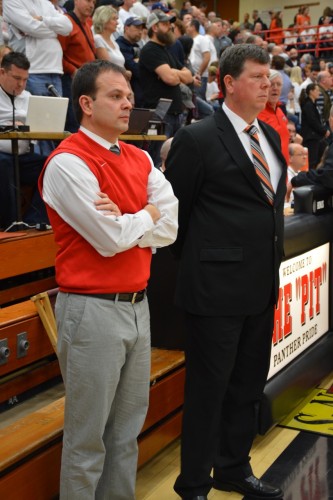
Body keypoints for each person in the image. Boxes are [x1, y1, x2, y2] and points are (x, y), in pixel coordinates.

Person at [39, 59, 178, 499]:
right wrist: (147, 215)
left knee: (125, 435)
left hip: (138, 305)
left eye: (129, 98)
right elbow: (108, 239)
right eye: (115, 97)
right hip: (90, 309)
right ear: (86, 103)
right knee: (87, 440)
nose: (127, 106)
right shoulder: (67, 162)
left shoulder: (137, 155)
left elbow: (171, 224)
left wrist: (135, 220)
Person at [165, 43, 286, 500]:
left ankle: (233, 468)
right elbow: (176, 218)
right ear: (228, 83)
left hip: (260, 286)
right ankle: (193, 481)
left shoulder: (269, 137)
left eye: (269, 76)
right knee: (208, 392)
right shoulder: (197, 138)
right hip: (214, 291)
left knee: (247, 386)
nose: (267, 84)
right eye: (256, 76)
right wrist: (206, 265)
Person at [0, 52, 48, 230]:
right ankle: (9, 225)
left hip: (22, 156)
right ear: (2, 73)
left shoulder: (29, 97)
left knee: (51, 166)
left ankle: (35, 220)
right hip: (2, 156)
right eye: (16, 78)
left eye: (25, 79)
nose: (21, 84)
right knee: (3, 165)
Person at [139, 10, 192, 161]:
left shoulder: (166, 51)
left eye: (170, 23)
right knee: (157, 159)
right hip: (159, 113)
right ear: (154, 28)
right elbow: (170, 78)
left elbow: (188, 77)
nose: (170, 27)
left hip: (174, 112)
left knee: (175, 159)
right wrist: (174, 74)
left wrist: (173, 73)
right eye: (165, 24)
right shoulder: (149, 50)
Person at [58, 0, 97, 132]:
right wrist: (72, 70)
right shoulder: (66, 23)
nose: (91, 5)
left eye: (93, 2)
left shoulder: (88, 23)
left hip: (86, 78)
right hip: (71, 78)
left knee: (84, 120)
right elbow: (59, 55)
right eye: (87, 1)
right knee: (74, 120)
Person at [258, 69, 290, 164]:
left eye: (279, 84)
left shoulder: (280, 111)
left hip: (284, 168)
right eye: (272, 84)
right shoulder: (256, 112)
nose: (275, 88)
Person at [92, 5, 132, 79]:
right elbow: (107, 66)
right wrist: (125, 72)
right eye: (114, 19)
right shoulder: (98, 39)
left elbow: (121, 66)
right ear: (104, 20)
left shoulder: (114, 42)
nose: (117, 23)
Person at [299, 83, 330, 168]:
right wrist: (324, 130)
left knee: (321, 157)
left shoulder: (312, 104)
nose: (319, 93)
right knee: (312, 161)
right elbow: (313, 122)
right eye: (317, 90)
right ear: (311, 92)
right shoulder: (308, 105)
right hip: (311, 138)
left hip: (316, 137)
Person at [117, 16, 145, 107]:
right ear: (126, 28)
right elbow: (135, 69)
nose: (140, 32)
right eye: (137, 28)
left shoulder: (137, 46)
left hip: (141, 95)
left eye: (141, 29)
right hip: (128, 95)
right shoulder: (119, 45)